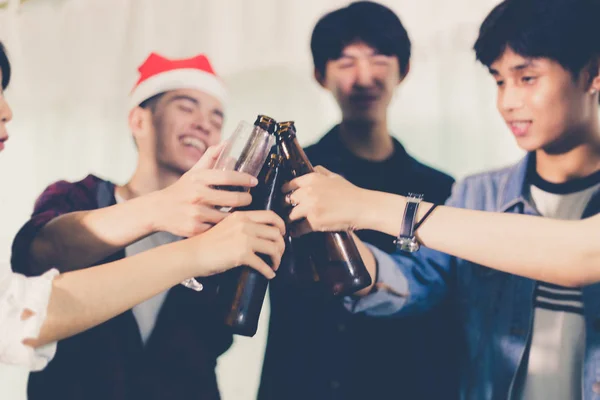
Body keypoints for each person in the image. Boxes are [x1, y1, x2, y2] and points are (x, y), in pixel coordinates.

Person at [284, 0, 600, 398]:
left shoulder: (443, 188)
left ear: (592, 73)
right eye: (499, 81)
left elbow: (579, 255)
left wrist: (365, 205)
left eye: (527, 78)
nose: (507, 102)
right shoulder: (476, 194)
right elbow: (416, 281)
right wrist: (346, 246)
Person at [0, 42, 285, 372]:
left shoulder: (228, 225)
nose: (203, 124)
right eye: (186, 107)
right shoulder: (77, 197)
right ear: (138, 120)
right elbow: (37, 255)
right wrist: (169, 216)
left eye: (216, 116)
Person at [259, 2, 458, 399]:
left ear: (404, 69)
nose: (364, 77)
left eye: (379, 58)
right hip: (301, 381)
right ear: (320, 75)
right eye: (346, 62)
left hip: (408, 383)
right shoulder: (284, 175)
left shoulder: (439, 189)